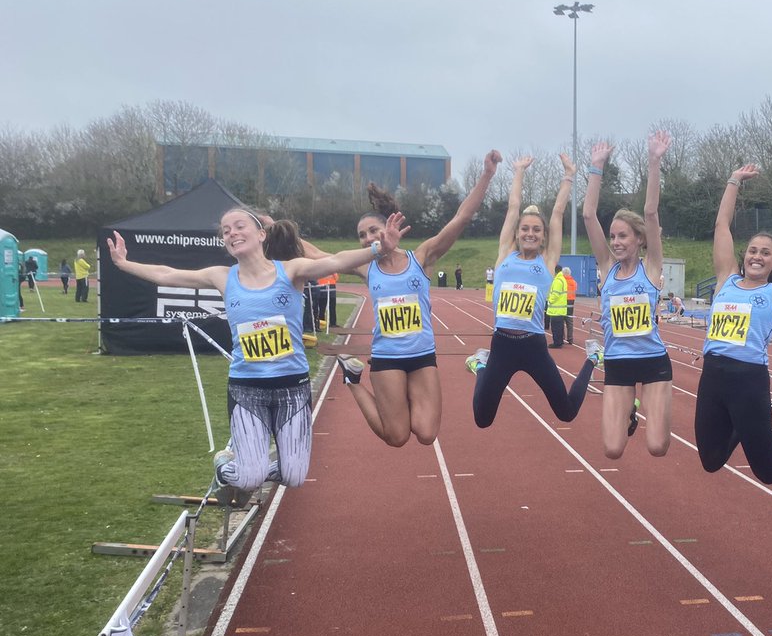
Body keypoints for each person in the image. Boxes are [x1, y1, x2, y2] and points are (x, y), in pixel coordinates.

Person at [107, 205, 405, 491]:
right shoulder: (222, 277)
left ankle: (253, 467)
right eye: (226, 231)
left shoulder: (291, 271)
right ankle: (226, 465)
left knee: (294, 477)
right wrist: (123, 263)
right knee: (250, 478)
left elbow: (336, 261)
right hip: (247, 389)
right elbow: (167, 275)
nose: (232, 233)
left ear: (261, 234)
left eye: (239, 226)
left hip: (293, 389)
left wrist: (380, 248)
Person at [329, 151, 501, 448]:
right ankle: (354, 381)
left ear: (388, 228)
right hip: (387, 358)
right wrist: (273, 232)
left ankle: (397, 395)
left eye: (373, 230)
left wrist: (486, 176)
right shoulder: (365, 266)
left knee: (426, 433)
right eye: (361, 235)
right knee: (396, 437)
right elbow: (320, 258)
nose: (368, 238)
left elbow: (461, 218)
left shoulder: (420, 257)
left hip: (421, 357)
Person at [696, 164, 772, 484]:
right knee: (710, 461)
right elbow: (722, 224)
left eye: (766, 253)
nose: (757, 256)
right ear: (744, 255)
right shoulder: (726, 279)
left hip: (748, 383)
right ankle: (742, 423)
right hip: (712, 376)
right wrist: (734, 180)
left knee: (769, 472)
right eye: (752, 250)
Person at [469, 154, 600, 428]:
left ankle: (592, 359)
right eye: (525, 229)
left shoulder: (547, 261)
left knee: (566, 412)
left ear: (543, 236)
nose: (530, 233)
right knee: (482, 419)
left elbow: (558, 213)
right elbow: (513, 208)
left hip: (533, 345)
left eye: (536, 230)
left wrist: (568, 175)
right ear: (516, 233)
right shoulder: (505, 253)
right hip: (502, 344)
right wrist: (518, 172)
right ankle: (480, 364)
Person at [582, 131, 673, 459]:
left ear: (639, 239)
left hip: (653, 361)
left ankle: (650, 411)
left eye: (623, 236)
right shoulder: (607, 268)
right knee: (612, 449)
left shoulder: (650, 268)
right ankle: (631, 411)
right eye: (613, 237)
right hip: (618, 362)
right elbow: (589, 215)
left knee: (657, 446)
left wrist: (654, 160)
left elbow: (650, 212)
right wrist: (596, 168)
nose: (616, 242)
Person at [547, 264, 568, 347]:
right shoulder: (562, 279)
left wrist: (550, 301)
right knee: (560, 327)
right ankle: (560, 341)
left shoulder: (557, 280)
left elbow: (555, 294)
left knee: (555, 328)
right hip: (561, 308)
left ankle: (557, 343)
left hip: (556, 309)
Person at [563, 266, 578, 344]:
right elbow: (575, 289)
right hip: (571, 302)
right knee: (569, 321)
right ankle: (570, 338)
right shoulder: (574, 282)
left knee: (561, 320)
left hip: (562, 302)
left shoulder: (562, 281)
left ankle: (562, 337)